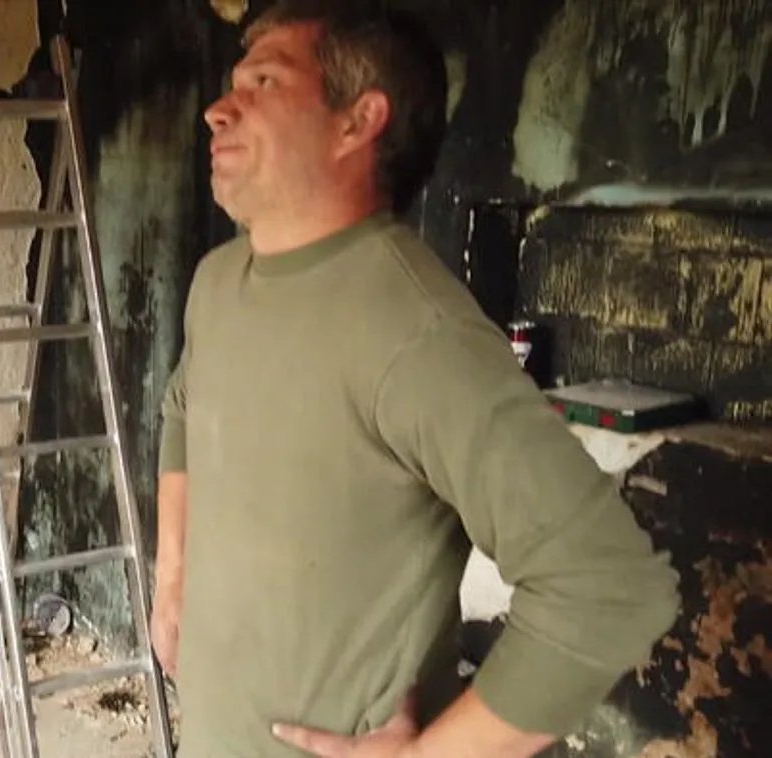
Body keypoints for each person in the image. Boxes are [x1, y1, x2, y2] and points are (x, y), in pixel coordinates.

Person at [149, 2, 682, 757]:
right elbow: (182, 403)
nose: (217, 110)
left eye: (263, 82)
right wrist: (172, 576)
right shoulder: (218, 280)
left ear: (356, 121)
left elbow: (607, 588)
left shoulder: (412, 331)